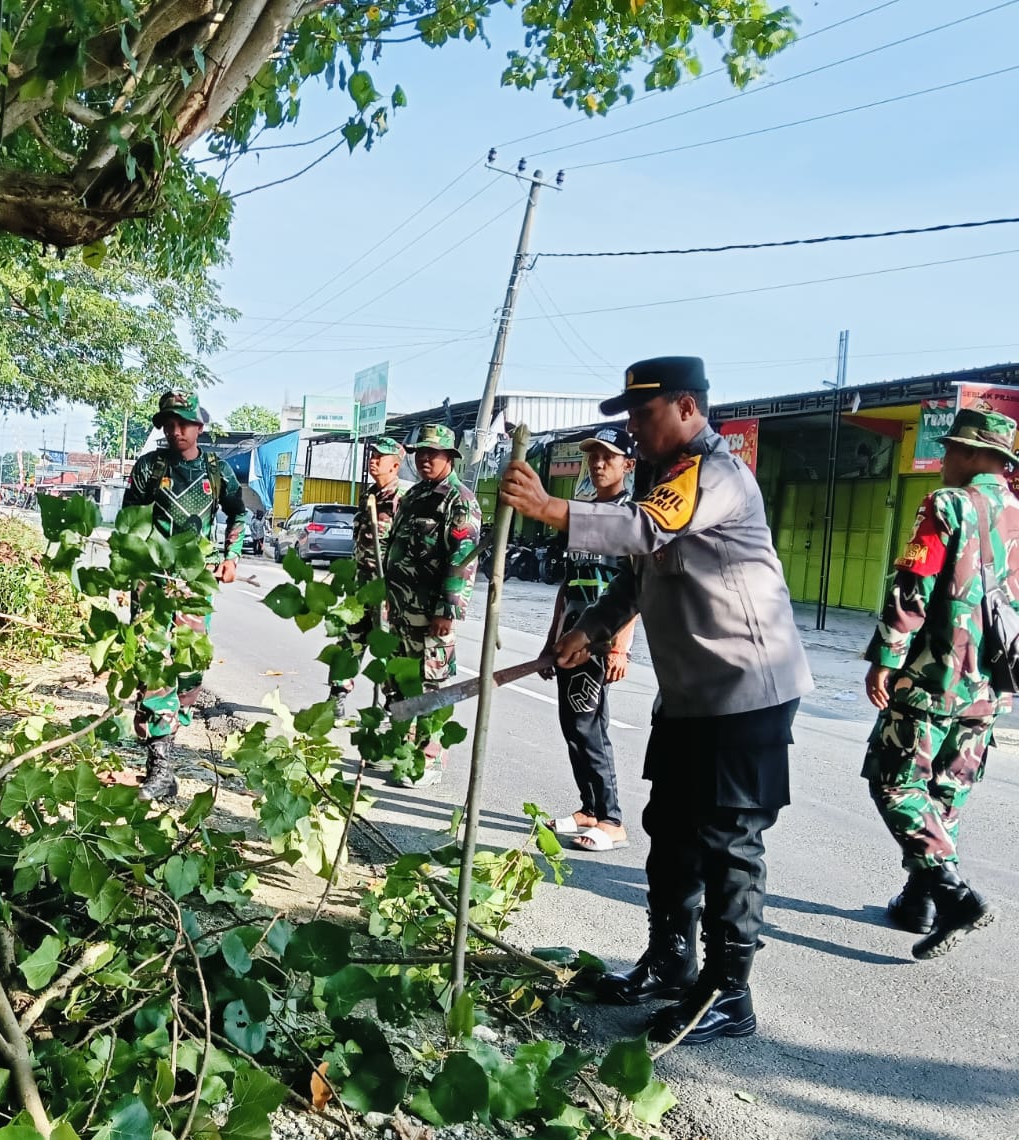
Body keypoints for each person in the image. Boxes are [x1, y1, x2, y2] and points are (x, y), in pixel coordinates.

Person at [500, 357, 812, 1047]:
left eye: (643, 415)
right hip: (692, 696)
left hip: (747, 693)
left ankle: (729, 995)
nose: (633, 429)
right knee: (670, 829)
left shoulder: (716, 476)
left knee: (729, 841)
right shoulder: (661, 480)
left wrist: (552, 509)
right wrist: (588, 629)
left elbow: (642, 531)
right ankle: (671, 962)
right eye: (630, 417)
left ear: (688, 409)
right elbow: (641, 577)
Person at [861, 408, 1017, 959]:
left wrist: (886, 655)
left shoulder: (947, 504)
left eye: (952, 449)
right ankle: (918, 900)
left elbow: (914, 585)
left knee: (896, 782)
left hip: (933, 675)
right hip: (991, 683)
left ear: (976, 456)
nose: (945, 458)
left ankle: (953, 895)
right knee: (945, 793)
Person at [122, 392, 245, 802]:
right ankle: (160, 765)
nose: (176, 431)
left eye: (184, 424)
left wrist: (231, 556)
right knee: (152, 662)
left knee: (190, 665)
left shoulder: (217, 469)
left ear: (198, 427)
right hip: (151, 579)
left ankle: (172, 726)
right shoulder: (149, 467)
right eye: (169, 424)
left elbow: (238, 512)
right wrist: (130, 569)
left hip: (195, 580)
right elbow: (129, 522)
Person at [539, 428, 640, 852]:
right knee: (572, 726)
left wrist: (621, 646)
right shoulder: (581, 514)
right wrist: (551, 640)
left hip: (600, 643)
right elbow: (567, 586)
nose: (598, 464)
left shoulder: (630, 516)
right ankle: (589, 809)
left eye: (609, 457)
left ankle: (612, 819)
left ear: (628, 465)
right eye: (593, 456)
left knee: (588, 727)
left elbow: (634, 587)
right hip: (571, 637)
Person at [382, 423, 481, 786]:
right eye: (420, 452)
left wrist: (448, 609)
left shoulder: (459, 500)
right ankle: (402, 751)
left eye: (433, 453)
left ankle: (429, 758)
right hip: (402, 609)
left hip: (432, 613)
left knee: (430, 685)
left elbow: (464, 558)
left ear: (449, 457)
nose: (425, 458)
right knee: (400, 680)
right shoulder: (414, 496)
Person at [329, 435, 409, 718]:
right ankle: (336, 697)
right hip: (360, 586)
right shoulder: (369, 496)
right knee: (349, 641)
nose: (373, 461)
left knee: (387, 649)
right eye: (372, 456)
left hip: (385, 589)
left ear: (395, 465)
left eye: (380, 457)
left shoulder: (402, 501)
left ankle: (390, 708)